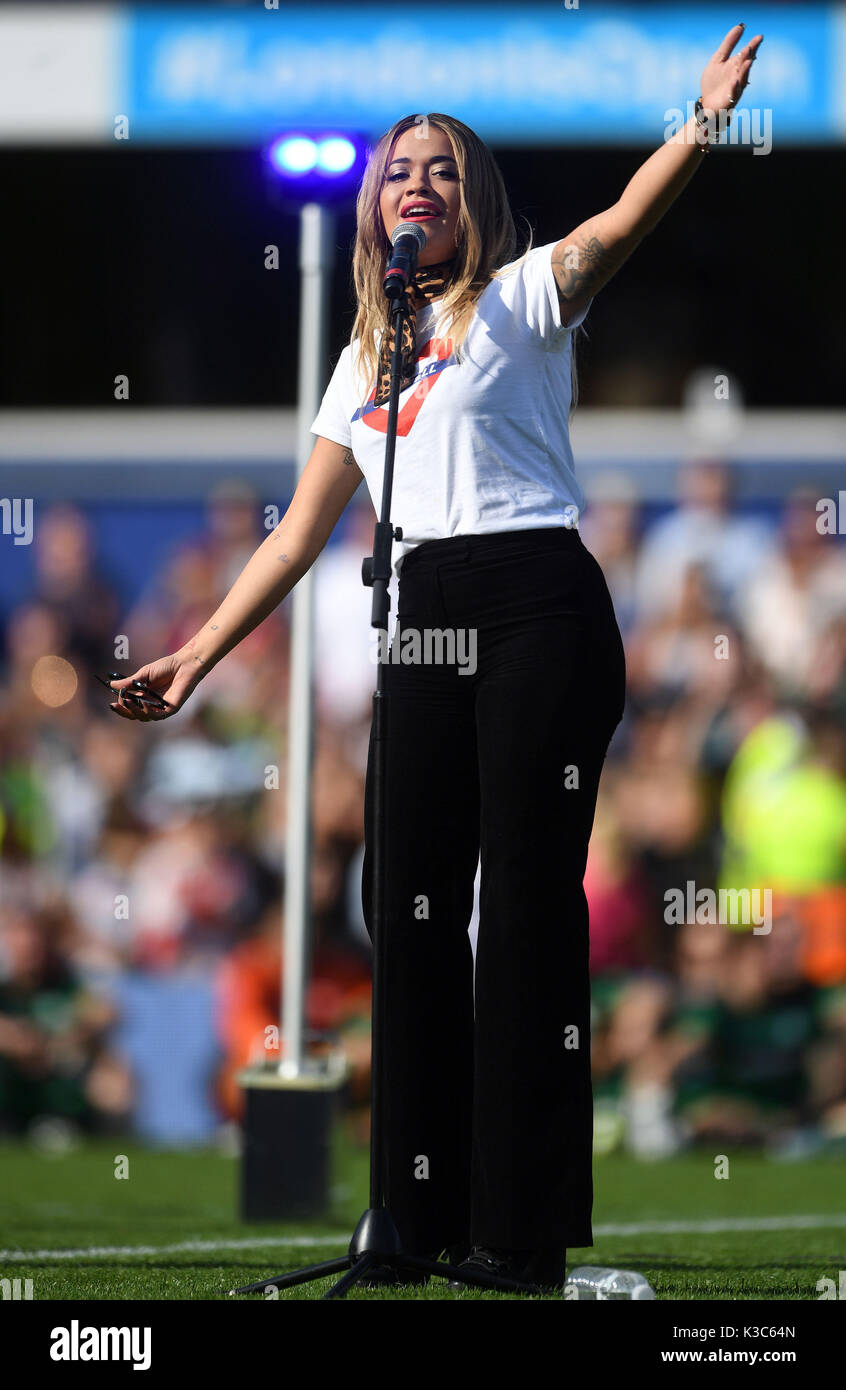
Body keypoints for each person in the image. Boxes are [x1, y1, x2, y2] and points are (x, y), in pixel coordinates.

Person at [107, 23, 762, 1293]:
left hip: (534, 601)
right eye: (403, 168)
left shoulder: (522, 298)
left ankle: (518, 1237)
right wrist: (191, 655)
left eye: (446, 171)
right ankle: (413, 1221)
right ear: (376, 204)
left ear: (476, 203)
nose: (422, 184)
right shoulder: (364, 358)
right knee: (400, 906)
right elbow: (299, 535)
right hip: (413, 610)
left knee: (519, 911)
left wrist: (703, 117)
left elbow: (624, 221)